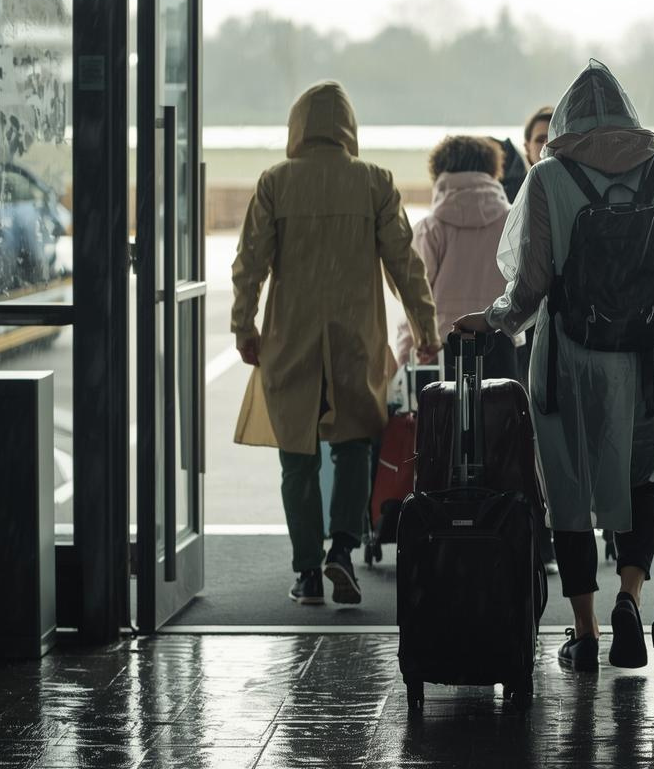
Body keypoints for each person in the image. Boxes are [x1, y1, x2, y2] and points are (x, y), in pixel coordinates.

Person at [454, 60, 654, 672]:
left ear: (565, 120)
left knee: (569, 490)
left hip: (569, 362)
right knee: (644, 481)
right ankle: (631, 595)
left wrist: (492, 319)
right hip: (651, 362)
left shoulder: (550, 178)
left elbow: (527, 288)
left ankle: (583, 631)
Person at [232, 81, 442, 607]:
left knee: (297, 456)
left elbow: (248, 265)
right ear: (349, 127)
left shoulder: (275, 182)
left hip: (290, 338)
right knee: (354, 445)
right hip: (355, 336)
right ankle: (343, 549)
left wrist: (244, 327)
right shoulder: (372, 181)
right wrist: (425, 329)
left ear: (297, 127)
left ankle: (306, 571)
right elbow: (405, 263)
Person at [395, 135, 518, 381]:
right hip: (501, 342)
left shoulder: (431, 228)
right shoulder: (513, 221)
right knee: (500, 416)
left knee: (444, 417)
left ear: (440, 172)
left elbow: (415, 295)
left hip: (445, 349)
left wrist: (405, 354)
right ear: (492, 170)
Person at [502, 105, 552, 203]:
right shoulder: (509, 194)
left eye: (553, 139)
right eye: (540, 140)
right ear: (527, 147)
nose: (547, 145)